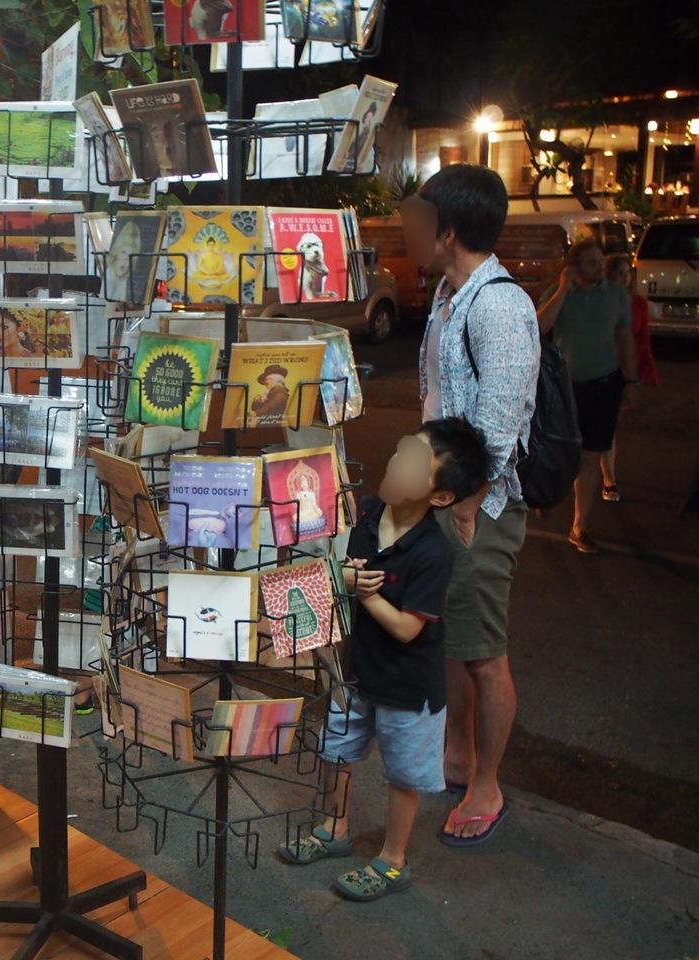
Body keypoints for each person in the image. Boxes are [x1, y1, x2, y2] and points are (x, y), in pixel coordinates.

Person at [277, 418, 492, 900]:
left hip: (407, 687)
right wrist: (342, 580)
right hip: (356, 671)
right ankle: (334, 828)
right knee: (337, 752)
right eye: (402, 451)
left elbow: (407, 628)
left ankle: (393, 860)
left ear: (440, 496)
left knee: (402, 775)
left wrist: (364, 593)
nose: (397, 464)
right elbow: (345, 574)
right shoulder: (369, 514)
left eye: (416, 463)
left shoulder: (433, 552)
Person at [402, 164, 540, 845]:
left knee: (484, 655)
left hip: (478, 510)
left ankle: (487, 786)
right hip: (445, 500)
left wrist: (463, 507)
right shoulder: (447, 297)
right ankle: (457, 756)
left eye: (422, 219)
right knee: (452, 643)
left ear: (450, 230)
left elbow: (498, 426)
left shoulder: (499, 306)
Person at [536, 239, 639, 551]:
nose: (600, 267)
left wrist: (632, 381)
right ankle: (547, 491)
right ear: (574, 267)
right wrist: (562, 289)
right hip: (565, 388)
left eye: (600, 260)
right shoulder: (560, 292)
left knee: (592, 455)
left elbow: (625, 337)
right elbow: (537, 327)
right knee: (561, 450)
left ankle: (579, 527)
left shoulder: (616, 295)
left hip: (604, 385)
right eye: (592, 262)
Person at [600, 253, 659, 501]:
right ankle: (604, 477)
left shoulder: (638, 304)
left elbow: (642, 341)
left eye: (627, 273)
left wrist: (643, 372)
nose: (624, 278)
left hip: (622, 372)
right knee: (601, 427)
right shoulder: (600, 301)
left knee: (608, 427)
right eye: (619, 273)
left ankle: (608, 477)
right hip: (599, 369)